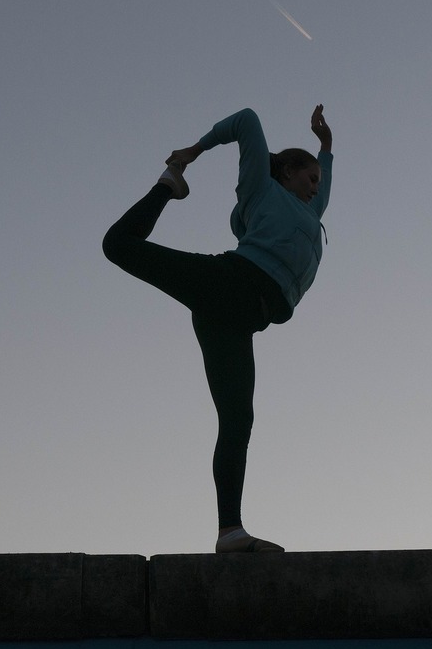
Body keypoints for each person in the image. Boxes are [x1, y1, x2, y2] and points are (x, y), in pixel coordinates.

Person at [102, 106, 333, 553]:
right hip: (228, 282)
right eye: (309, 180)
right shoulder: (261, 191)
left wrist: (325, 147)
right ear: (286, 172)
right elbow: (247, 119)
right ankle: (167, 187)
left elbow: (325, 179)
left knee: (238, 419)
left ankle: (230, 531)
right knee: (118, 246)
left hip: (239, 319)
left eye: (318, 184)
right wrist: (193, 152)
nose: (315, 189)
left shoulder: (311, 208)